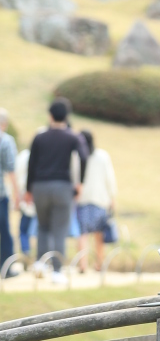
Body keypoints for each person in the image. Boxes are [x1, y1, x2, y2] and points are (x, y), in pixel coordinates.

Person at [25, 99, 86, 283]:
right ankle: (57, 272)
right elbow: (83, 157)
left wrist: (28, 189)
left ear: (50, 115)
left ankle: (40, 264)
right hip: (62, 187)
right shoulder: (73, 137)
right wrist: (80, 182)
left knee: (43, 226)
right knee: (59, 230)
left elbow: (31, 164)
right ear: (67, 116)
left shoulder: (39, 137)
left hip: (40, 186)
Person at [75, 131, 117, 272]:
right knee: (99, 234)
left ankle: (83, 264)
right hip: (101, 199)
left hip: (83, 199)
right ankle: (99, 264)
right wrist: (112, 197)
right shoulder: (102, 156)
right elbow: (109, 178)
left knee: (83, 234)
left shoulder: (77, 156)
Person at [0, 109, 18, 270]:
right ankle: (6, 268)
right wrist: (17, 194)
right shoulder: (5, 141)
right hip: (0, 194)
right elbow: (11, 169)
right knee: (4, 231)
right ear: (4, 124)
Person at [14, 146, 37, 256]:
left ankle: (26, 252)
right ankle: (39, 256)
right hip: (38, 197)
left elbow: (17, 176)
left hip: (26, 197)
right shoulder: (44, 155)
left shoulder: (23, 156)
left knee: (24, 229)